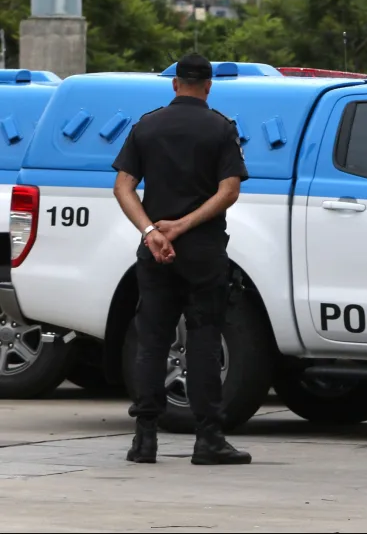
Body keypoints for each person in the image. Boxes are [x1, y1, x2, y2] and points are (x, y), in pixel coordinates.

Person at [111, 53, 252, 466]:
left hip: (154, 251)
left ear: (174, 84)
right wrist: (182, 226)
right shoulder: (221, 129)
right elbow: (229, 191)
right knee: (204, 339)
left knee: (152, 340)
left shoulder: (147, 125)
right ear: (208, 86)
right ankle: (208, 439)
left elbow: (123, 186)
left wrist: (152, 231)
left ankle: (144, 439)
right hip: (203, 250)